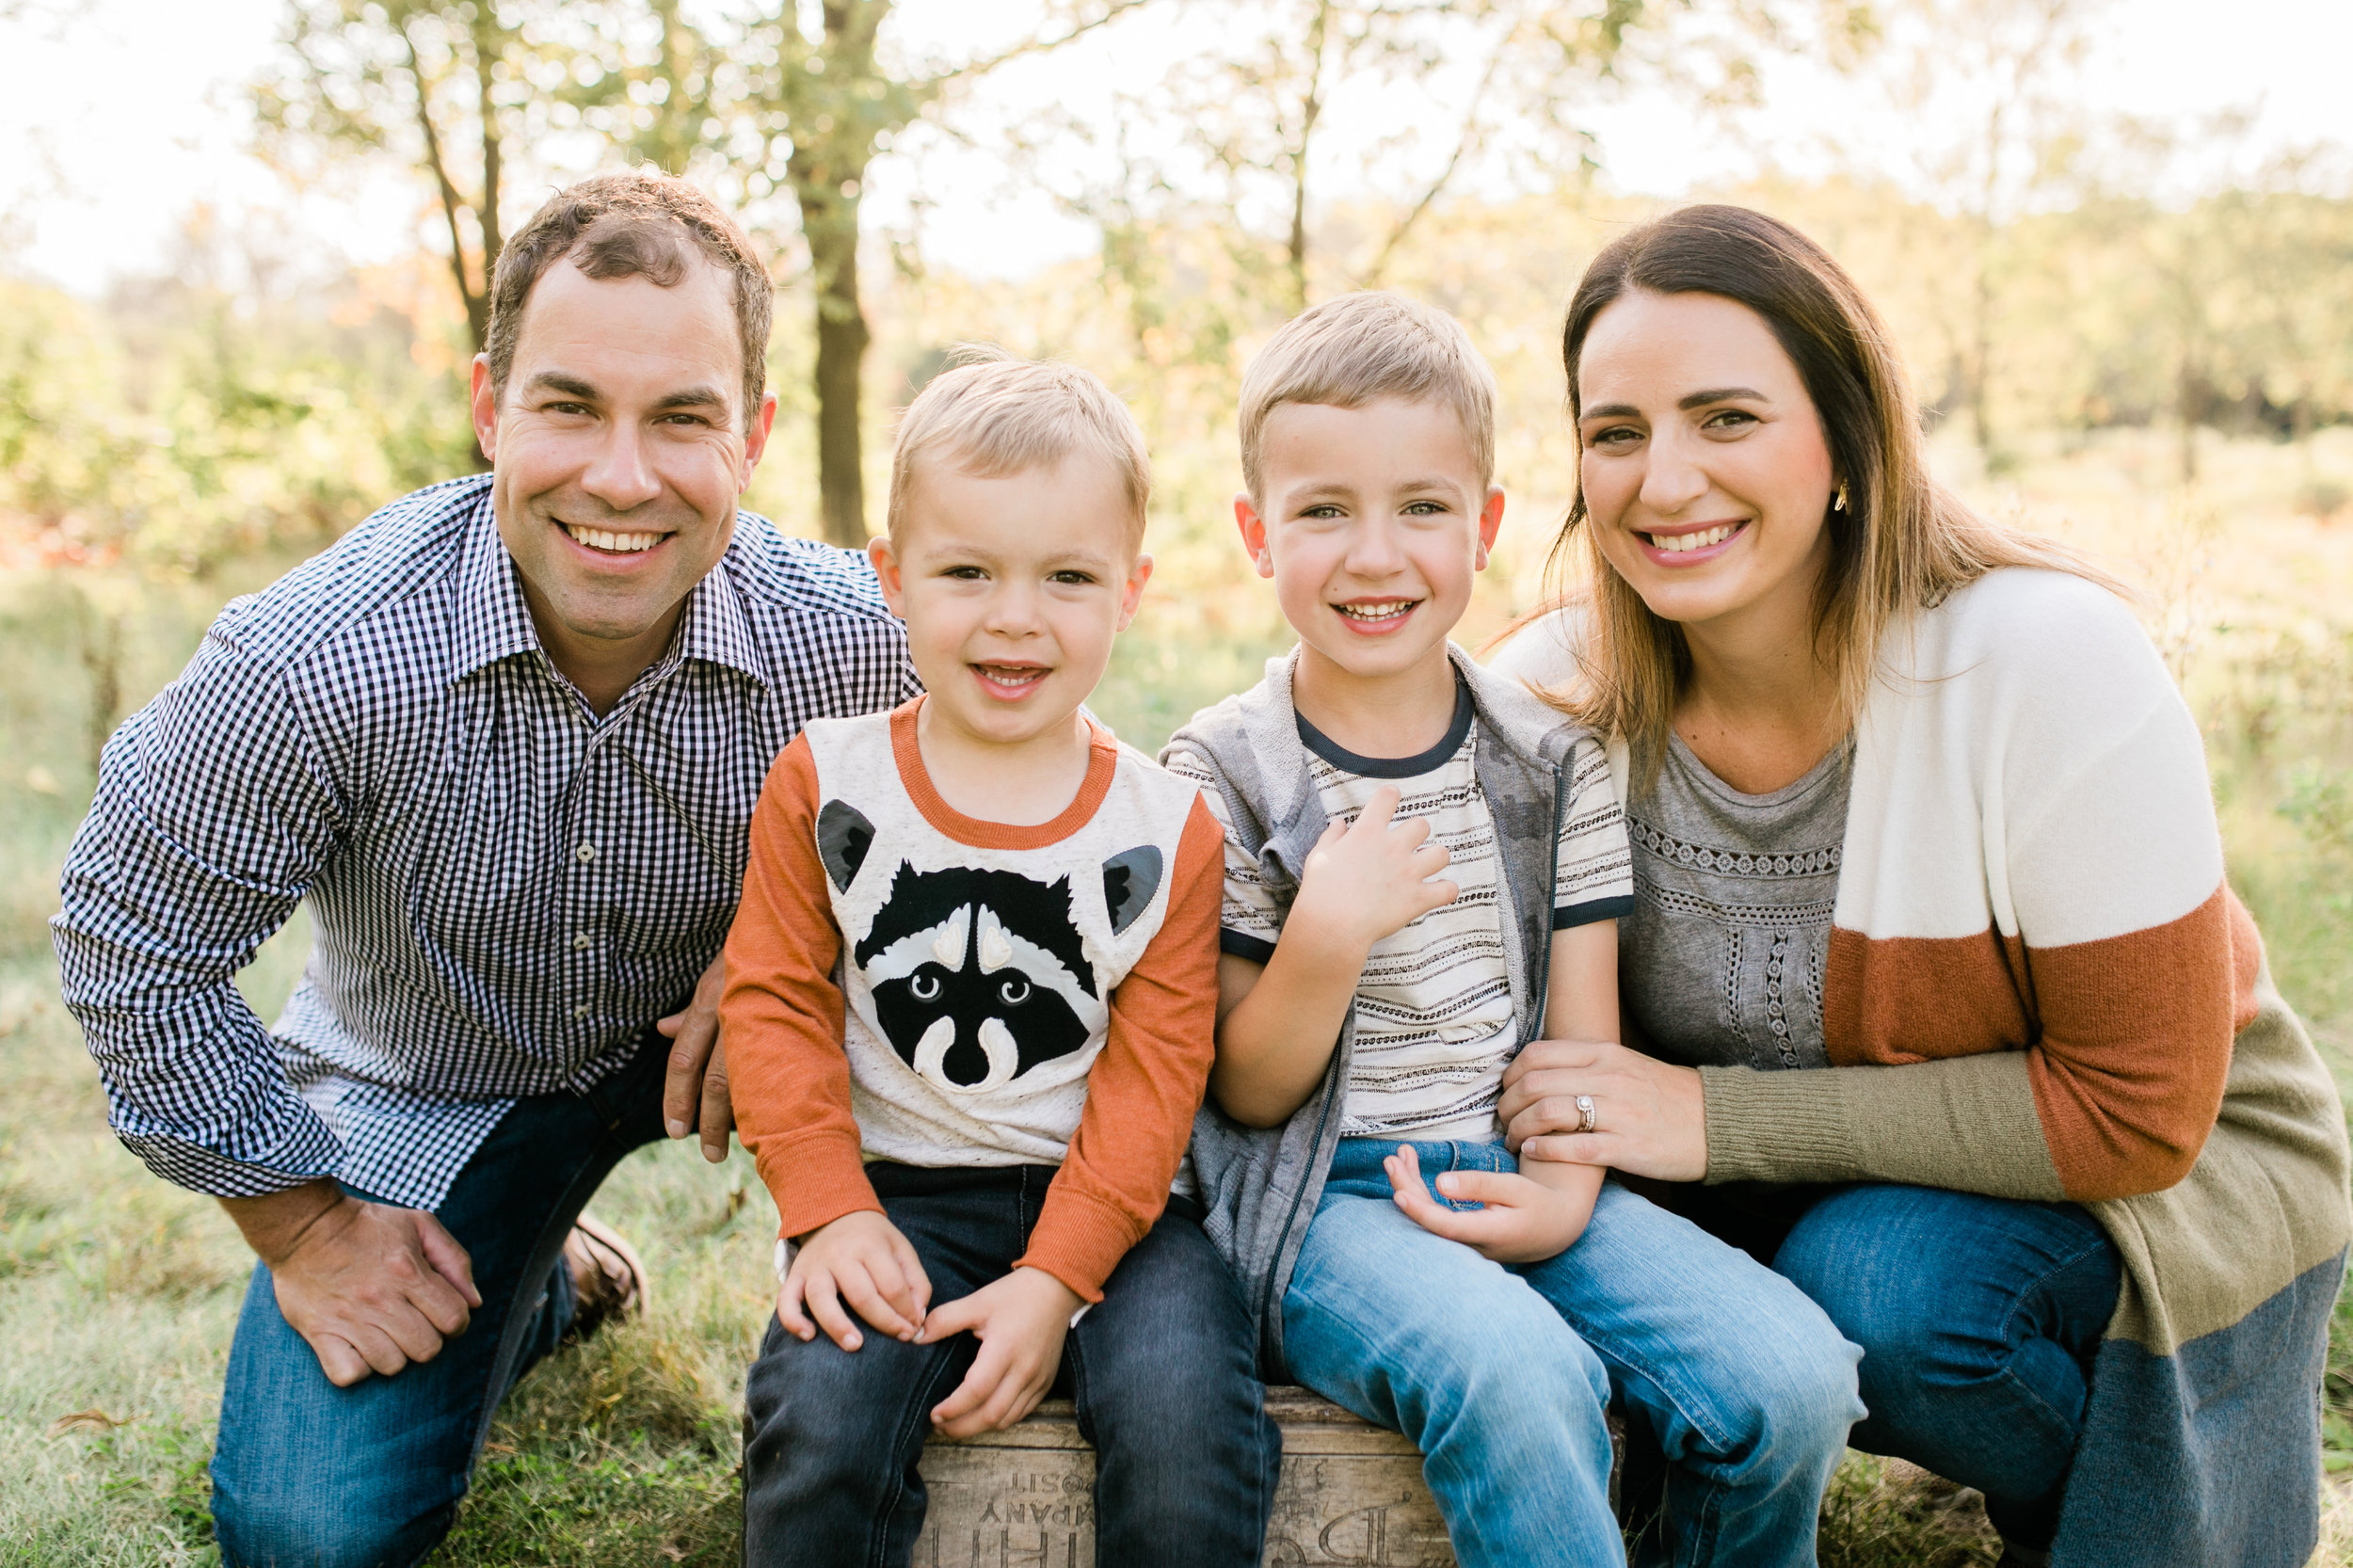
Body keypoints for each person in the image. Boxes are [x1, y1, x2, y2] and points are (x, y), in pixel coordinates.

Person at [51, 170, 917, 1567]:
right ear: (488, 406)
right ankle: (540, 1280)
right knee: (307, 1531)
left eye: (682, 418)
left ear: (752, 434)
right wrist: (305, 1227)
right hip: (435, 1076)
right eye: (570, 406)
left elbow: (1035, 819)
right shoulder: (322, 654)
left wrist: (782, 961)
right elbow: (125, 933)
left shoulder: (865, 646)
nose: (622, 476)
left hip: (750, 1042)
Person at [1487, 203, 2353, 1568]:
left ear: (1847, 438)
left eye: (1726, 418)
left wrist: (1710, 1118)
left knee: (1881, 1288)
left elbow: (2139, 1111)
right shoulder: (1552, 693)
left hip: (2153, 1170)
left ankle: (2097, 1493)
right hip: (1785, 1164)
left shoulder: (2045, 666)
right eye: (1616, 431)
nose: (1663, 481)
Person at [1162, 291, 1861, 1568]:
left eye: (1422, 507)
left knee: (1793, 1375)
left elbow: (1582, 1045)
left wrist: (1558, 1194)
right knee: (1524, 1373)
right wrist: (1330, 927)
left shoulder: (1550, 759)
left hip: (1521, 1161)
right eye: (1325, 511)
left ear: (1483, 526)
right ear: (1258, 534)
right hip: (1330, 1203)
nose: (1377, 555)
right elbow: (1249, 1091)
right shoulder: (1225, 773)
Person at [723, 351, 1279, 1568]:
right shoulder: (826, 781)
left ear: (1130, 591)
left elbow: (1159, 1067)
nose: (1016, 614)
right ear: (892, 579)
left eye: (1066, 576)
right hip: (894, 1193)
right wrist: (826, 1210)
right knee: (819, 1426)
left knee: (1190, 1424)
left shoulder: (1165, 823)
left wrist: (1057, 1275)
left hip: (1124, 1214)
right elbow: (772, 1006)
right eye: (968, 570)